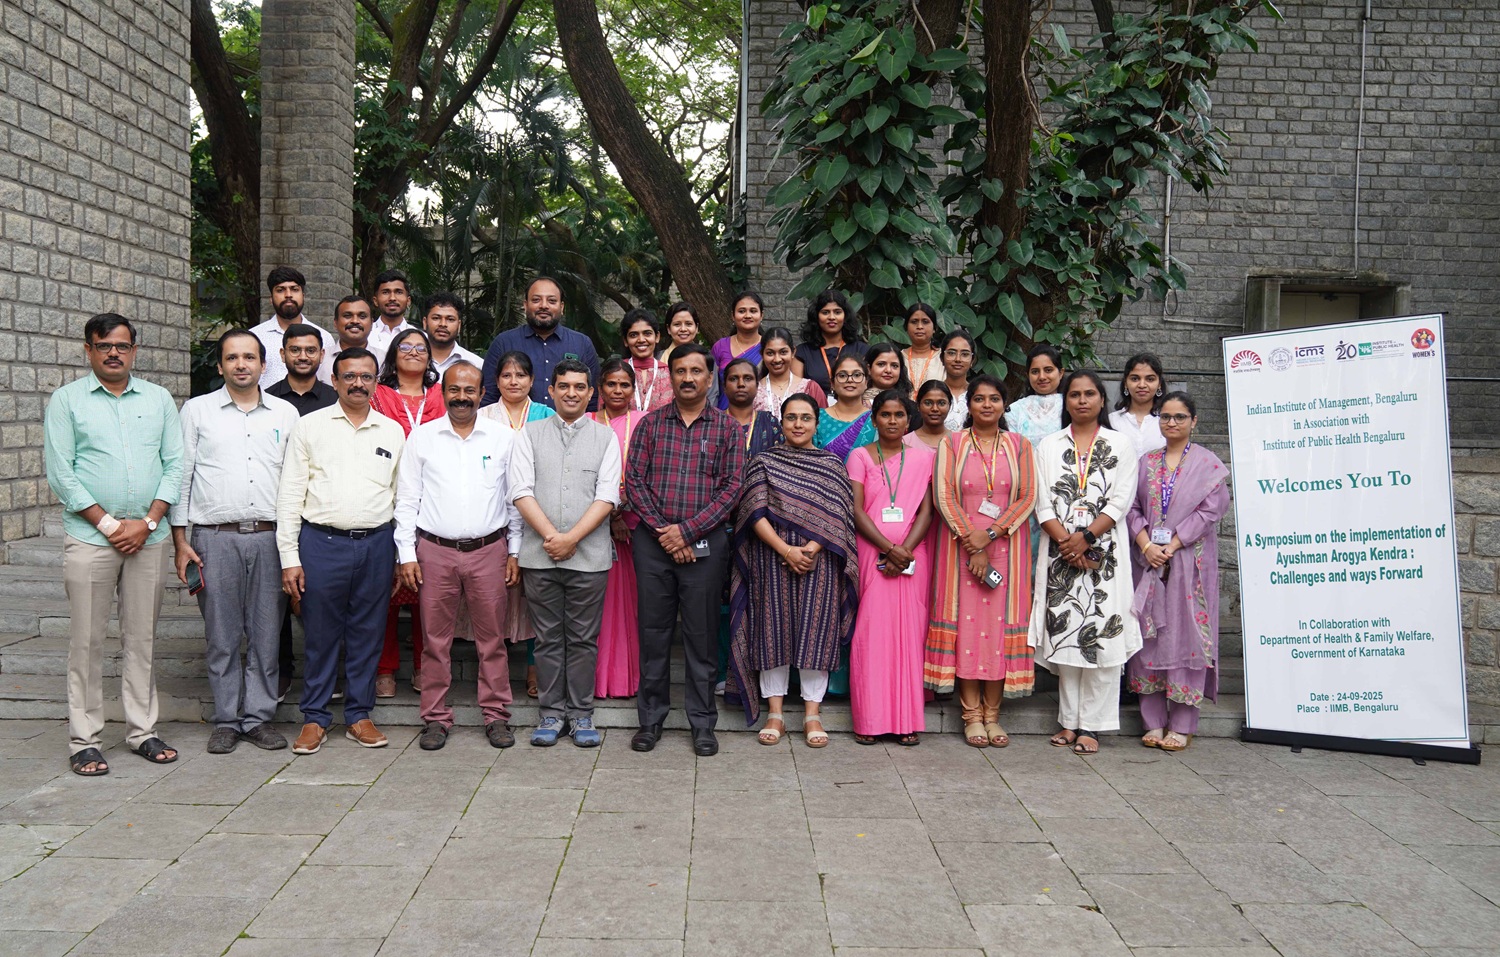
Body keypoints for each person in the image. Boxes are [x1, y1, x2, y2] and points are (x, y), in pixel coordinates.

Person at [44, 313, 185, 775]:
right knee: (86, 640)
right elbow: (61, 473)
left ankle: (142, 731)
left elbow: (175, 465)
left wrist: (147, 521)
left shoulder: (159, 399)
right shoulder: (67, 401)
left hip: (150, 535)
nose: (113, 353)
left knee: (141, 637)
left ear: (134, 350)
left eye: (122, 346)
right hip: (90, 537)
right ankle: (84, 739)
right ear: (88, 350)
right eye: (104, 346)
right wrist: (109, 525)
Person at [170, 329, 298, 754]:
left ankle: (258, 718)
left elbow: (295, 482)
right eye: (232, 357)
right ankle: (226, 719)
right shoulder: (197, 411)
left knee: (266, 635)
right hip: (214, 539)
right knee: (222, 636)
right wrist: (180, 540)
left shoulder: (285, 414)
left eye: (249, 357)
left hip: (270, 537)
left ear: (264, 364)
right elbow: (181, 475)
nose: (241, 364)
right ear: (221, 365)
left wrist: (292, 545)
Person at [277, 347, 405, 755]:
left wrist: (403, 554)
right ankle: (314, 718)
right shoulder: (310, 427)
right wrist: (289, 557)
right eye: (349, 376)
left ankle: (359, 715)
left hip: (376, 544)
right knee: (320, 634)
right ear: (334, 381)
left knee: (368, 633)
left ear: (376, 382)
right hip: (321, 543)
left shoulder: (392, 431)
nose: (358, 383)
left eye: (366, 377)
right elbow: (290, 493)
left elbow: (402, 496)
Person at [395, 362, 524, 751]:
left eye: (469, 390)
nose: (462, 397)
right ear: (443, 392)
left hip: (489, 550)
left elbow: (514, 500)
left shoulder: (503, 439)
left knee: (492, 641)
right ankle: (435, 718)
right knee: (435, 642)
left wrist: (514, 551)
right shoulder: (422, 438)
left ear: (481, 392)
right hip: (434, 551)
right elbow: (406, 500)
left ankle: (496, 716)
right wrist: (406, 554)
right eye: (454, 390)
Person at [624, 343, 745, 756]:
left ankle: (701, 724)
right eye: (680, 371)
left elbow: (732, 489)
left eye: (697, 371)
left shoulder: (728, 429)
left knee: (701, 636)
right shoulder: (650, 425)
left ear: (710, 379)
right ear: (670, 377)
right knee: (653, 635)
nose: (688, 378)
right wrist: (667, 533)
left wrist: (688, 532)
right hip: (653, 545)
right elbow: (634, 482)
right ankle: (650, 721)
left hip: (707, 548)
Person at [728, 394, 858, 749]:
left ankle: (812, 713)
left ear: (817, 423)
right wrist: (786, 550)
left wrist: (811, 549)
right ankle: (776, 712)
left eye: (805, 418)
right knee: (772, 628)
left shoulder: (832, 465)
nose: (798, 424)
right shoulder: (763, 462)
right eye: (791, 418)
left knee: (816, 629)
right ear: (781, 423)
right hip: (772, 555)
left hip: (820, 559)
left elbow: (839, 516)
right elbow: (752, 512)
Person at [511, 359, 622, 747]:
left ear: (591, 393)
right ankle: (550, 714)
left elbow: (608, 495)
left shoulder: (606, 438)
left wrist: (572, 537)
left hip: (589, 558)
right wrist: (552, 537)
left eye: (579, 387)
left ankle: (581, 715)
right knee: (546, 639)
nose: (571, 393)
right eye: (564, 386)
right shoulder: (530, 434)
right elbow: (521, 490)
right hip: (540, 556)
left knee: (582, 639)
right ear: (551, 391)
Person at [1031, 370, 1141, 756]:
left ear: (1101, 400)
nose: (1081, 400)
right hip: (1061, 555)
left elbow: (1120, 500)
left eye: (1089, 394)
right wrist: (1066, 542)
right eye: (1074, 394)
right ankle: (1069, 721)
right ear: (1066, 401)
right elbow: (1041, 501)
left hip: (1104, 556)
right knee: (1066, 635)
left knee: (1100, 634)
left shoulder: (1120, 444)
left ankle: (1093, 726)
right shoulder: (1048, 445)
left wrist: (1086, 538)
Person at [925, 375, 1037, 748]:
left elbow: (1027, 497)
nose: (986, 405)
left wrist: (990, 535)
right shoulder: (951, 444)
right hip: (959, 549)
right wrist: (972, 543)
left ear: (1004, 404)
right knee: (967, 630)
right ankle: (971, 715)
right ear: (968, 405)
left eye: (993, 399)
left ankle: (993, 714)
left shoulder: (1019, 446)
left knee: (999, 630)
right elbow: (943, 494)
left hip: (1008, 550)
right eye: (978, 399)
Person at [1126, 392, 1230, 753]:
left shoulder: (1209, 464)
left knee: (1186, 635)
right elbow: (1131, 508)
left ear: (1194, 421)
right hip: (1148, 562)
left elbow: (1210, 512)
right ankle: (1153, 722)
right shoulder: (1145, 462)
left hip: (1189, 564)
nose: (1172, 423)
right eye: (1166, 417)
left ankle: (1183, 724)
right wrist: (1146, 546)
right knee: (1149, 635)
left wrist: (1172, 545)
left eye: (1180, 417)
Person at [848, 391, 935, 746]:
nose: (893, 421)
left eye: (900, 414)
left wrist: (906, 551)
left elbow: (927, 511)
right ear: (874, 419)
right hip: (873, 554)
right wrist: (888, 549)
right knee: (871, 635)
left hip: (914, 557)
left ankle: (906, 720)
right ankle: (869, 720)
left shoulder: (924, 458)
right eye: (885, 414)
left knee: (909, 636)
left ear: (908, 420)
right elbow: (855, 510)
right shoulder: (859, 456)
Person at [371, 329, 445, 698]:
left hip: (433, 503)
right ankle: (385, 667)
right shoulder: (377, 395)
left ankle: (423, 665)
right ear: (392, 354)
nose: (414, 352)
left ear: (430, 357)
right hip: (385, 501)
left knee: (425, 592)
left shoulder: (442, 395)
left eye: (421, 348)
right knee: (385, 589)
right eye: (406, 347)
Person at [265, 323, 338, 701]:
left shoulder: (334, 398)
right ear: (282, 355)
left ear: (322, 355)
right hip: (274, 504)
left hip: (320, 512)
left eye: (311, 350)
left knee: (318, 598)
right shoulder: (268, 400)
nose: (303, 356)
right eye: (295, 350)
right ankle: (281, 671)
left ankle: (327, 673)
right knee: (278, 598)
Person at [479, 350, 556, 696]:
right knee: (496, 596)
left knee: (536, 598)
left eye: (521, 375)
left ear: (532, 380)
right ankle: (494, 672)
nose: (514, 381)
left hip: (539, 513)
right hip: (492, 513)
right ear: (496, 381)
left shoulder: (546, 415)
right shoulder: (482, 417)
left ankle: (534, 667)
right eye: (507, 376)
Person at [592, 359, 645, 699]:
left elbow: (652, 475)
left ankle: (626, 679)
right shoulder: (587, 422)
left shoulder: (644, 422)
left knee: (632, 607)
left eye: (625, 384)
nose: (618, 391)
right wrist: (608, 518)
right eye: (611, 384)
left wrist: (625, 518)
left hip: (636, 528)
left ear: (633, 389)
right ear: (600, 388)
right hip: (593, 527)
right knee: (597, 606)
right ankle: (597, 680)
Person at [480, 276, 601, 409]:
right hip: (515, 427)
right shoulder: (504, 343)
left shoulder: (582, 344)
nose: (544, 306)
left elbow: (593, 398)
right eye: (536, 300)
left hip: (569, 428)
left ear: (562, 307)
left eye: (552, 301)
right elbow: (488, 396)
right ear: (525, 305)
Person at [252, 266, 338, 388]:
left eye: (294, 289)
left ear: (303, 295)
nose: (288, 295)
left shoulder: (323, 336)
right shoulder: (255, 337)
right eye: (280, 290)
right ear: (271, 298)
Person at [792, 289, 864, 398]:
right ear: (816, 317)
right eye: (825, 312)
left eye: (837, 312)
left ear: (845, 316)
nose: (831, 317)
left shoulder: (862, 350)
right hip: (813, 412)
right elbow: (796, 394)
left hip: (854, 412)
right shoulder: (801, 353)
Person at [815, 354, 876, 461]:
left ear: (866, 382)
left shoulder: (876, 420)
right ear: (832, 383)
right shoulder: (817, 418)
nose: (850, 380)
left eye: (857, 375)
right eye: (842, 376)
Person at [657, 302, 719, 407]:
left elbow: (712, 395)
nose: (683, 329)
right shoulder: (657, 359)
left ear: (697, 327)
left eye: (688, 324)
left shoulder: (707, 359)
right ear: (668, 329)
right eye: (677, 324)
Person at [754, 326, 825, 418]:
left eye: (783, 352)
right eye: (770, 353)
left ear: (793, 352)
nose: (777, 359)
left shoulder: (811, 389)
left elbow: (823, 427)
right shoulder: (753, 391)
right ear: (762, 354)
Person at [711, 291, 765, 409]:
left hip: (758, 415)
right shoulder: (720, 347)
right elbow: (711, 387)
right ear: (733, 316)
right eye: (741, 311)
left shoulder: (768, 348)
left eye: (753, 311)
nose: (747, 315)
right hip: (722, 414)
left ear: (761, 315)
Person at [1109, 352, 1167, 456]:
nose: (1142, 385)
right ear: (1126, 383)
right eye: (1135, 379)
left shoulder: (1168, 422)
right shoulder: (1111, 422)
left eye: (1150, 379)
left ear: (1159, 384)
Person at [1007, 344, 1067, 445]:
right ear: (1028, 375)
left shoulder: (1072, 407)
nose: (1042, 377)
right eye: (1035, 372)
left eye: (1048, 370)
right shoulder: (1014, 411)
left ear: (1061, 373)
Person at [723, 357, 781, 458]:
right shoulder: (713, 423)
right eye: (733, 379)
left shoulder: (770, 422)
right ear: (724, 387)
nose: (741, 384)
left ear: (757, 386)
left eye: (748, 378)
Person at [621, 309, 673, 411]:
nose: (641, 339)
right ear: (625, 341)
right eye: (633, 335)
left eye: (647, 333)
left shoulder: (670, 374)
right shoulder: (615, 373)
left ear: (657, 337)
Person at [423, 291, 484, 375]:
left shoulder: (476, 365)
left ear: (459, 325)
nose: (443, 324)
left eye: (450, 319)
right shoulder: (408, 359)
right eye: (436, 318)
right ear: (425, 322)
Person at [368, 269, 415, 360]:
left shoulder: (420, 337)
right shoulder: (365, 335)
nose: (392, 298)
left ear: (408, 300)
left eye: (398, 292)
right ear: (376, 300)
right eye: (385, 292)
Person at [939, 329, 978, 430]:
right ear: (942, 358)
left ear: (972, 360)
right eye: (951, 353)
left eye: (965, 354)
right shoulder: (933, 393)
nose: (958, 359)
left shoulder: (978, 395)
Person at [902, 302, 944, 392]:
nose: (920, 326)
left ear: (934, 328)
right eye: (914, 322)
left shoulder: (944, 358)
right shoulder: (898, 358)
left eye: (925, 322)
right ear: (906, 327)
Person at [905, 380, 952, 451]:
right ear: (918, 406)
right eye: (928, 403)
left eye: (941, 403)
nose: (935, 409)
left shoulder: (959, 442)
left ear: (949, 405)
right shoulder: (906, 442)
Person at [863, 343, 912, 408]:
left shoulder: (909, 406)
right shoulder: (854, 403)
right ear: (868, 369)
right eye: (881, 364)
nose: (888, 370)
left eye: (894, 366)